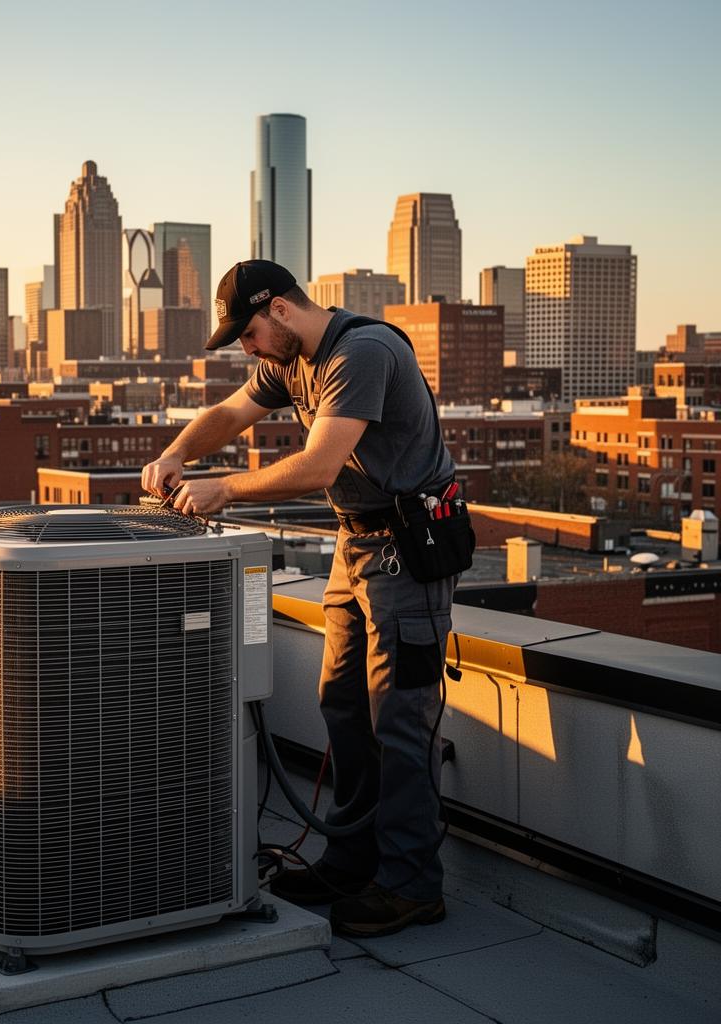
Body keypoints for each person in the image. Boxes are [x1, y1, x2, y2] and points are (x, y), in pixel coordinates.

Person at [142, 259, 459, 938]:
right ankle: (351, 860)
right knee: (342, 704)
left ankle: (412, 886)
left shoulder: (361, 352)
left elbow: (318, 466)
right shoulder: (290, 361)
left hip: (407, 552)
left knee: (400, 719)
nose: (248, 349)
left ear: (281, 310)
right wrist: (176, 454)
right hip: (358, 545)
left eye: (249, 333)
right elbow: (231, 413)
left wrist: (223, 487)